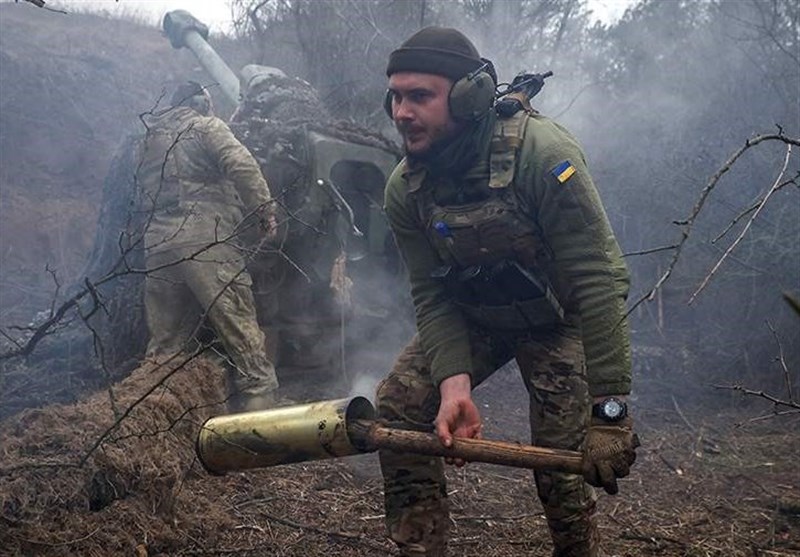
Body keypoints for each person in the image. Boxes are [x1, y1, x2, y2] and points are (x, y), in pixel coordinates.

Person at [376, 27, 638, 557]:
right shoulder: (405, 188)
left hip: (556, 319)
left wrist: (609, 409)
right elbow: (432, 294)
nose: (402, 111)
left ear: (468, 95)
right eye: (396, 96)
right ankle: (421, 547)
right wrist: (454, 386)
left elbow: (598, 276)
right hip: (478, 315)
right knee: (398, 406)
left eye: (420, 96)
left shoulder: (543, 155)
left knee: (560, 466)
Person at [136, 81, 279, 411]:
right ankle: (263, 423)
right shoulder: (205, 127)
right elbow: (241, 164)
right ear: (199, 102)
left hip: (157, 244)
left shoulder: (146, 141)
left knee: (165, 348)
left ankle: (156, 420)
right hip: (205, 241)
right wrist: (264, 210)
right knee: (242, 335)